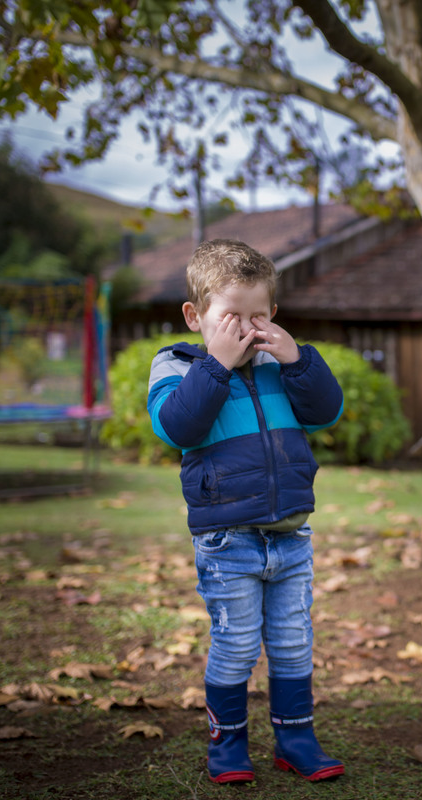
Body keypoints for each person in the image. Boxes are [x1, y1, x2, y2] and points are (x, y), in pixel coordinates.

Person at [147, 239, 345, 783]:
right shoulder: (178, 364)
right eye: (232, 314)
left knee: (292, 641)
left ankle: (296, 741)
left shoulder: (282, 364)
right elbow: (178, 426)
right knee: (235, 645)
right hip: (226, 540)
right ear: (195, 316)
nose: (247, 327)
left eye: (260, 315)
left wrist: (298, 357)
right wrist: (217, 365)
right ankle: (228, 745)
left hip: (289, 535)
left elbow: (326, 411)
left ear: (275, 315)